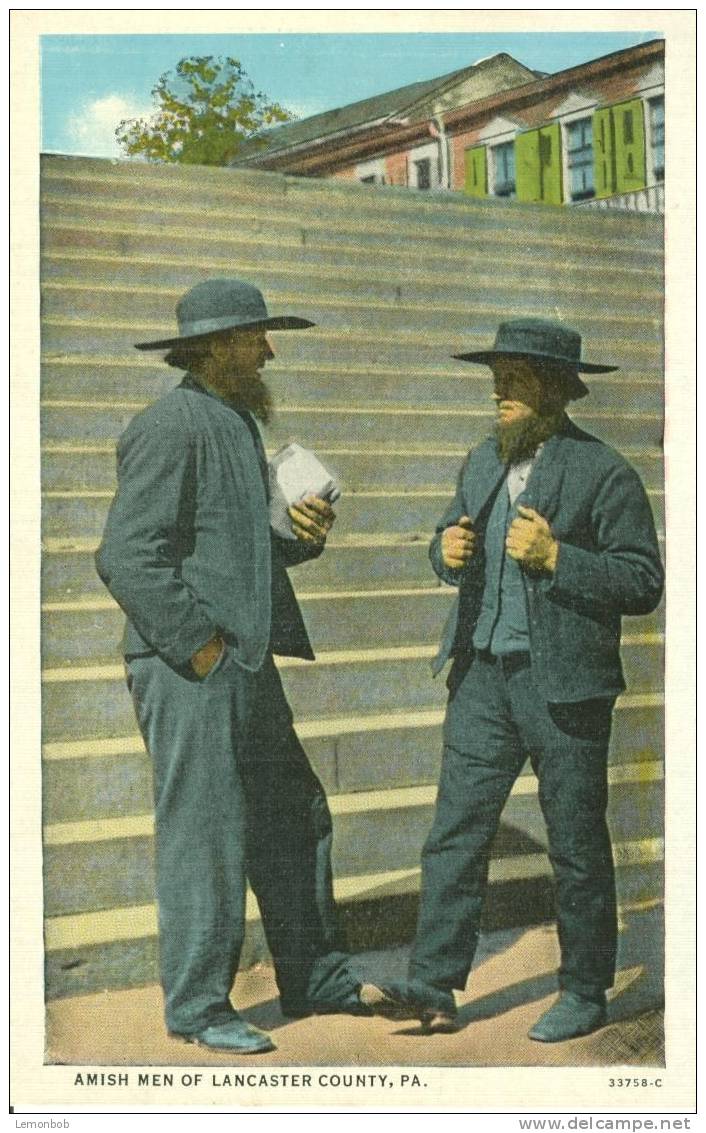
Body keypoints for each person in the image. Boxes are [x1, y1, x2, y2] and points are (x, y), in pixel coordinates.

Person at [95, 278, 395, 1054]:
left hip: (244, 661)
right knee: (205, 833)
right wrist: (199, 644)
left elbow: (241, 546)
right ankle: (197, 1005)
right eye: (257, 338)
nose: (269, 350)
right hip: (192, 664)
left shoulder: (231, 421)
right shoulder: (169, 426)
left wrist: (304, 532)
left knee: (294, 814)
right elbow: (126, 554)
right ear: (219, 346)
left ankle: (314, 973)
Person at [397, 317, 664, 1042]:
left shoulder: (604, 471)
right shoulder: (482, 460)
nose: (498, 388)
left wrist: (557, 557)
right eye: (496, 376)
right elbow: (448, 536)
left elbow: (644, 580)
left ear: (553, 387)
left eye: (514, 377)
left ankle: (584, 988)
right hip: (482, 674)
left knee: (576, 841)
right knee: (455, 830)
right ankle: (432, 983)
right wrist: (442, 549)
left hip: (565, 687)